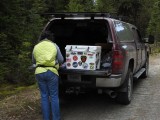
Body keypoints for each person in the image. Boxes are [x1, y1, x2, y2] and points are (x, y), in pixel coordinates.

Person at [32, 31, 64, 120]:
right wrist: (56, 62)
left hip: (39, 72)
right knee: (54, 96)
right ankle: (56, 118)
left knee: (44, 96)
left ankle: (46, 118)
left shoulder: (36, 46)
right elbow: (61, 60)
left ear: (41, 38)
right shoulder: (54, 45)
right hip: (51, 72)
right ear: (50, 38)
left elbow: (34, 61)